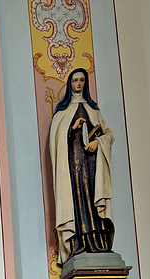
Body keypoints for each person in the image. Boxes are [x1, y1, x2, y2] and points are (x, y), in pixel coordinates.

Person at [49, 68, 115, 263]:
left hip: (93, 167)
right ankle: (79, 244)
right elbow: (56, 143)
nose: (78, 84)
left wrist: (98, 142)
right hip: (74, 169)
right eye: (75, 80)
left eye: (82, 80)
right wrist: (72, 129)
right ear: (70, 83)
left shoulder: (94, 110)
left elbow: (109, 135)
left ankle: (98, 243)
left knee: (94, 203)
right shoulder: (63, 112)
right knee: (79, 202)